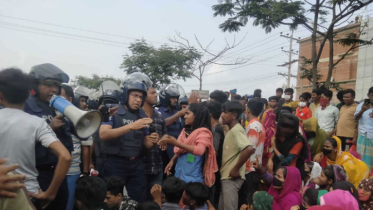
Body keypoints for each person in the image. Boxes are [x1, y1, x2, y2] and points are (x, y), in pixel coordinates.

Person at [16, 65, 72, 210]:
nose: (53, 89)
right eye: (48, 85)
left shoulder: (60, 106)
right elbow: (17, 142)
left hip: (60, 174)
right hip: (37, 175)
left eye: (57, 86)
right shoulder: (24, 106)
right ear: (34, 85)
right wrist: (49, 127)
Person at [99, 73, 156, 203]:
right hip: (115, 163)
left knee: (139, 200)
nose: (138, 100)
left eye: (141, 97)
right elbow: (103, 135)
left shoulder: (142, 114)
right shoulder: (112, 111)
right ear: (125, 94)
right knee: (110, 200)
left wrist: (151, 141)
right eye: (135, 96)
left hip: (136, 164)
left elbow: (145, 143)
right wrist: (131, 126)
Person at [160, 103, 218, 186]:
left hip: (193, 179)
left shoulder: (203, 132)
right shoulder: (184, 131)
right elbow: (181, 150)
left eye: (187, 114)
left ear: (197, 115)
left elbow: (199, 150)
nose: (184, 117)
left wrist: (175, 143)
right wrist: (172, 160)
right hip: (179, 175)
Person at [219, 100, 256, 210]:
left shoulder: (236, 130)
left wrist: (235, 169)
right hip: (226, 177)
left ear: (234, 115)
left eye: (225, 112)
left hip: (231, 179)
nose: (222, 115)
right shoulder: (232, 130)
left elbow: (249, 149)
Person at [60, 85, 93, 210]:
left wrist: (85, 173)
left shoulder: (80, 118)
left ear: (69, 100)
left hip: (72, 172)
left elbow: (86, 148)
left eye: (60, 97)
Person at [239, 99, 266, 206]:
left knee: (247, 200)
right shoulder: (258, 125)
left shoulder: (253, 127)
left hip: (249, 169)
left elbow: (250, 148)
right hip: (254, 167)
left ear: (248, 110)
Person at [142, 85, 167, 200]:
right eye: (152, 93)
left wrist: (164, 142)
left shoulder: (160, 117)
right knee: (140, 202)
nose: (156, 95)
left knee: (156, 202)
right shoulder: (137, 115)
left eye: (156, 93)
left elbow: (164, 135)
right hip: (140, 168)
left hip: (157, 166)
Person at [268, 113, 309, 177]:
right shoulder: (280, 135)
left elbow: (286, 161)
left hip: (289, 173)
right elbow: (277, 148)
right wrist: (270, 159)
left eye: (289, 130)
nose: (284, 132)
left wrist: (274, 147)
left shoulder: (298, 142)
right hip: (276, 170)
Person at [158, 84, 185, 174]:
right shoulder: (158, 111)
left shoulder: (177, 111)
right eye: (173, 98)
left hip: (176, 151)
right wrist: (177, 115)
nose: (176, 100)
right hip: (164, 151)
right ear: (165, 98)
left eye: (176, 98)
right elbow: (162, 123)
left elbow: (182, 129)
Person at [207, 101, 225, 207]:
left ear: (209, 114)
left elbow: (214, 152)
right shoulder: (215, 129)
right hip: (214, 168)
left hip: (214, 169)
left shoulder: (216, 130)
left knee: (213, 195)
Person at [355, 86, 373, 172]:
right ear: (368, 95)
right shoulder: (361, 105)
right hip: (363, 135)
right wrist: (362, 110)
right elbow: (356, 118)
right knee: (361, 160)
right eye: (372, 95)